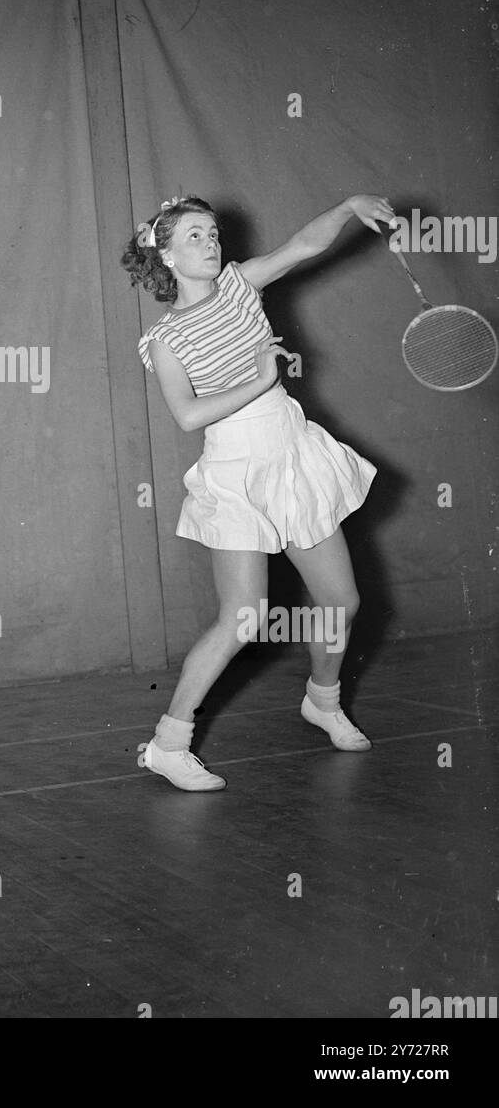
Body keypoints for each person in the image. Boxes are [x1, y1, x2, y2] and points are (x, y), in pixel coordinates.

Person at [122, 193, 396, 791]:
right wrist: (259, 378)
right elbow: (188, 417)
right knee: (244, 618)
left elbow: (304, 244)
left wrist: (348, 206)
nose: (210, 242)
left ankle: (322, 700)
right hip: (235, 468)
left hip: (290, 453)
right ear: (164, 255)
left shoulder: (242, 285)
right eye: (193, 236)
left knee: (340, 601)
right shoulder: (165, 340)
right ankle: (169, 743)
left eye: (213, 232)